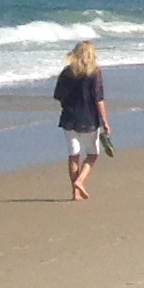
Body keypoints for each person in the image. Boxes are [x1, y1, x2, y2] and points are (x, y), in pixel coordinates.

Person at [53, 39, 109, 201]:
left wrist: (67, 102)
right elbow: (99, 99)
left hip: (69, 118)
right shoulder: (95, 73)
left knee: (73, 155)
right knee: (92, 154)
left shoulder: (66, 72)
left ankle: (75, 193)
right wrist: (105, 121)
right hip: (89, 118)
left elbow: (58, 95)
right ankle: (80, 181)